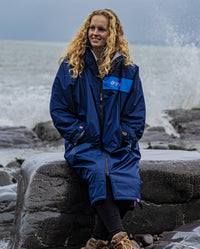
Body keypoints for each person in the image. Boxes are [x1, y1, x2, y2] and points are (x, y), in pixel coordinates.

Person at [50, 9, 146, 249]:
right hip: (85, 144)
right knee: (100, 174)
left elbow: (136, 113)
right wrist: (80, 133)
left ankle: (97, 241)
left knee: (128, 185)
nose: (95, 33)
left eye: (101, 29)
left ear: (112, 33)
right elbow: (59, 109)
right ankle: (121, 239)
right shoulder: (72, 66)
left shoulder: (128, 71)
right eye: (92, 28)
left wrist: (125, 135)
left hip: (119, 145)